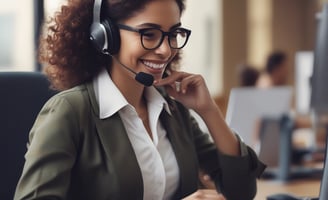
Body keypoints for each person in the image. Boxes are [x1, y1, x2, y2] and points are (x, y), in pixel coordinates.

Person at [14, 0, 266, 199]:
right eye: (149, 33)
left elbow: (241, 191)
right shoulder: (69, 112)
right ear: (106, 35)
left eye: (173, 33)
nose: (166, 49)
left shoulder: (172, 109)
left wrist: (209, 110)